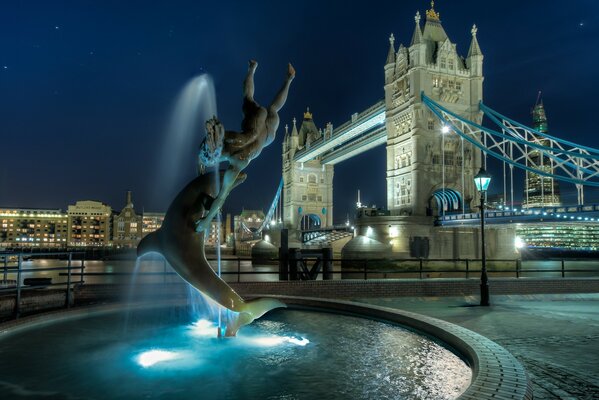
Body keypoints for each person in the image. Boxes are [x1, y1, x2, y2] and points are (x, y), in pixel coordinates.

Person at [196, 60, 295, 232]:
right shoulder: (228, 140)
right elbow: (214, 141)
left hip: (266, 133)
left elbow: (222, 197)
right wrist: (201, 163)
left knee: (272, 109)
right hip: (257, 123)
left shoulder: (238, 162)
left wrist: (206, 221)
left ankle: (286, 78)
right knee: (252, 101)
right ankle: (259, 70)